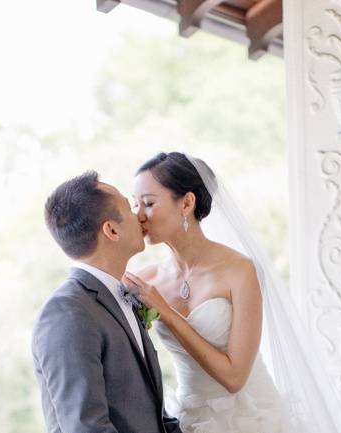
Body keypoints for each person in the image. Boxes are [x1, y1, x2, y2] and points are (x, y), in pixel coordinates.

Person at [126, 152, 287, 433]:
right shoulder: (143, 280)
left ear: (187, 202)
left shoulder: (240, 270)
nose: (138, 215)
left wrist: (167, 312)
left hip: (251, 418)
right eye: (134, 204)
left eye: (149, 203)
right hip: (188, 420)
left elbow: (235, 377)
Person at [32, 170, 182, 433]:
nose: (140, 216)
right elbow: (86, 427)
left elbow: (153, 414)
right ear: (111, 229)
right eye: (129, 207)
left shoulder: (122, 295)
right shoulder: (67, 312)